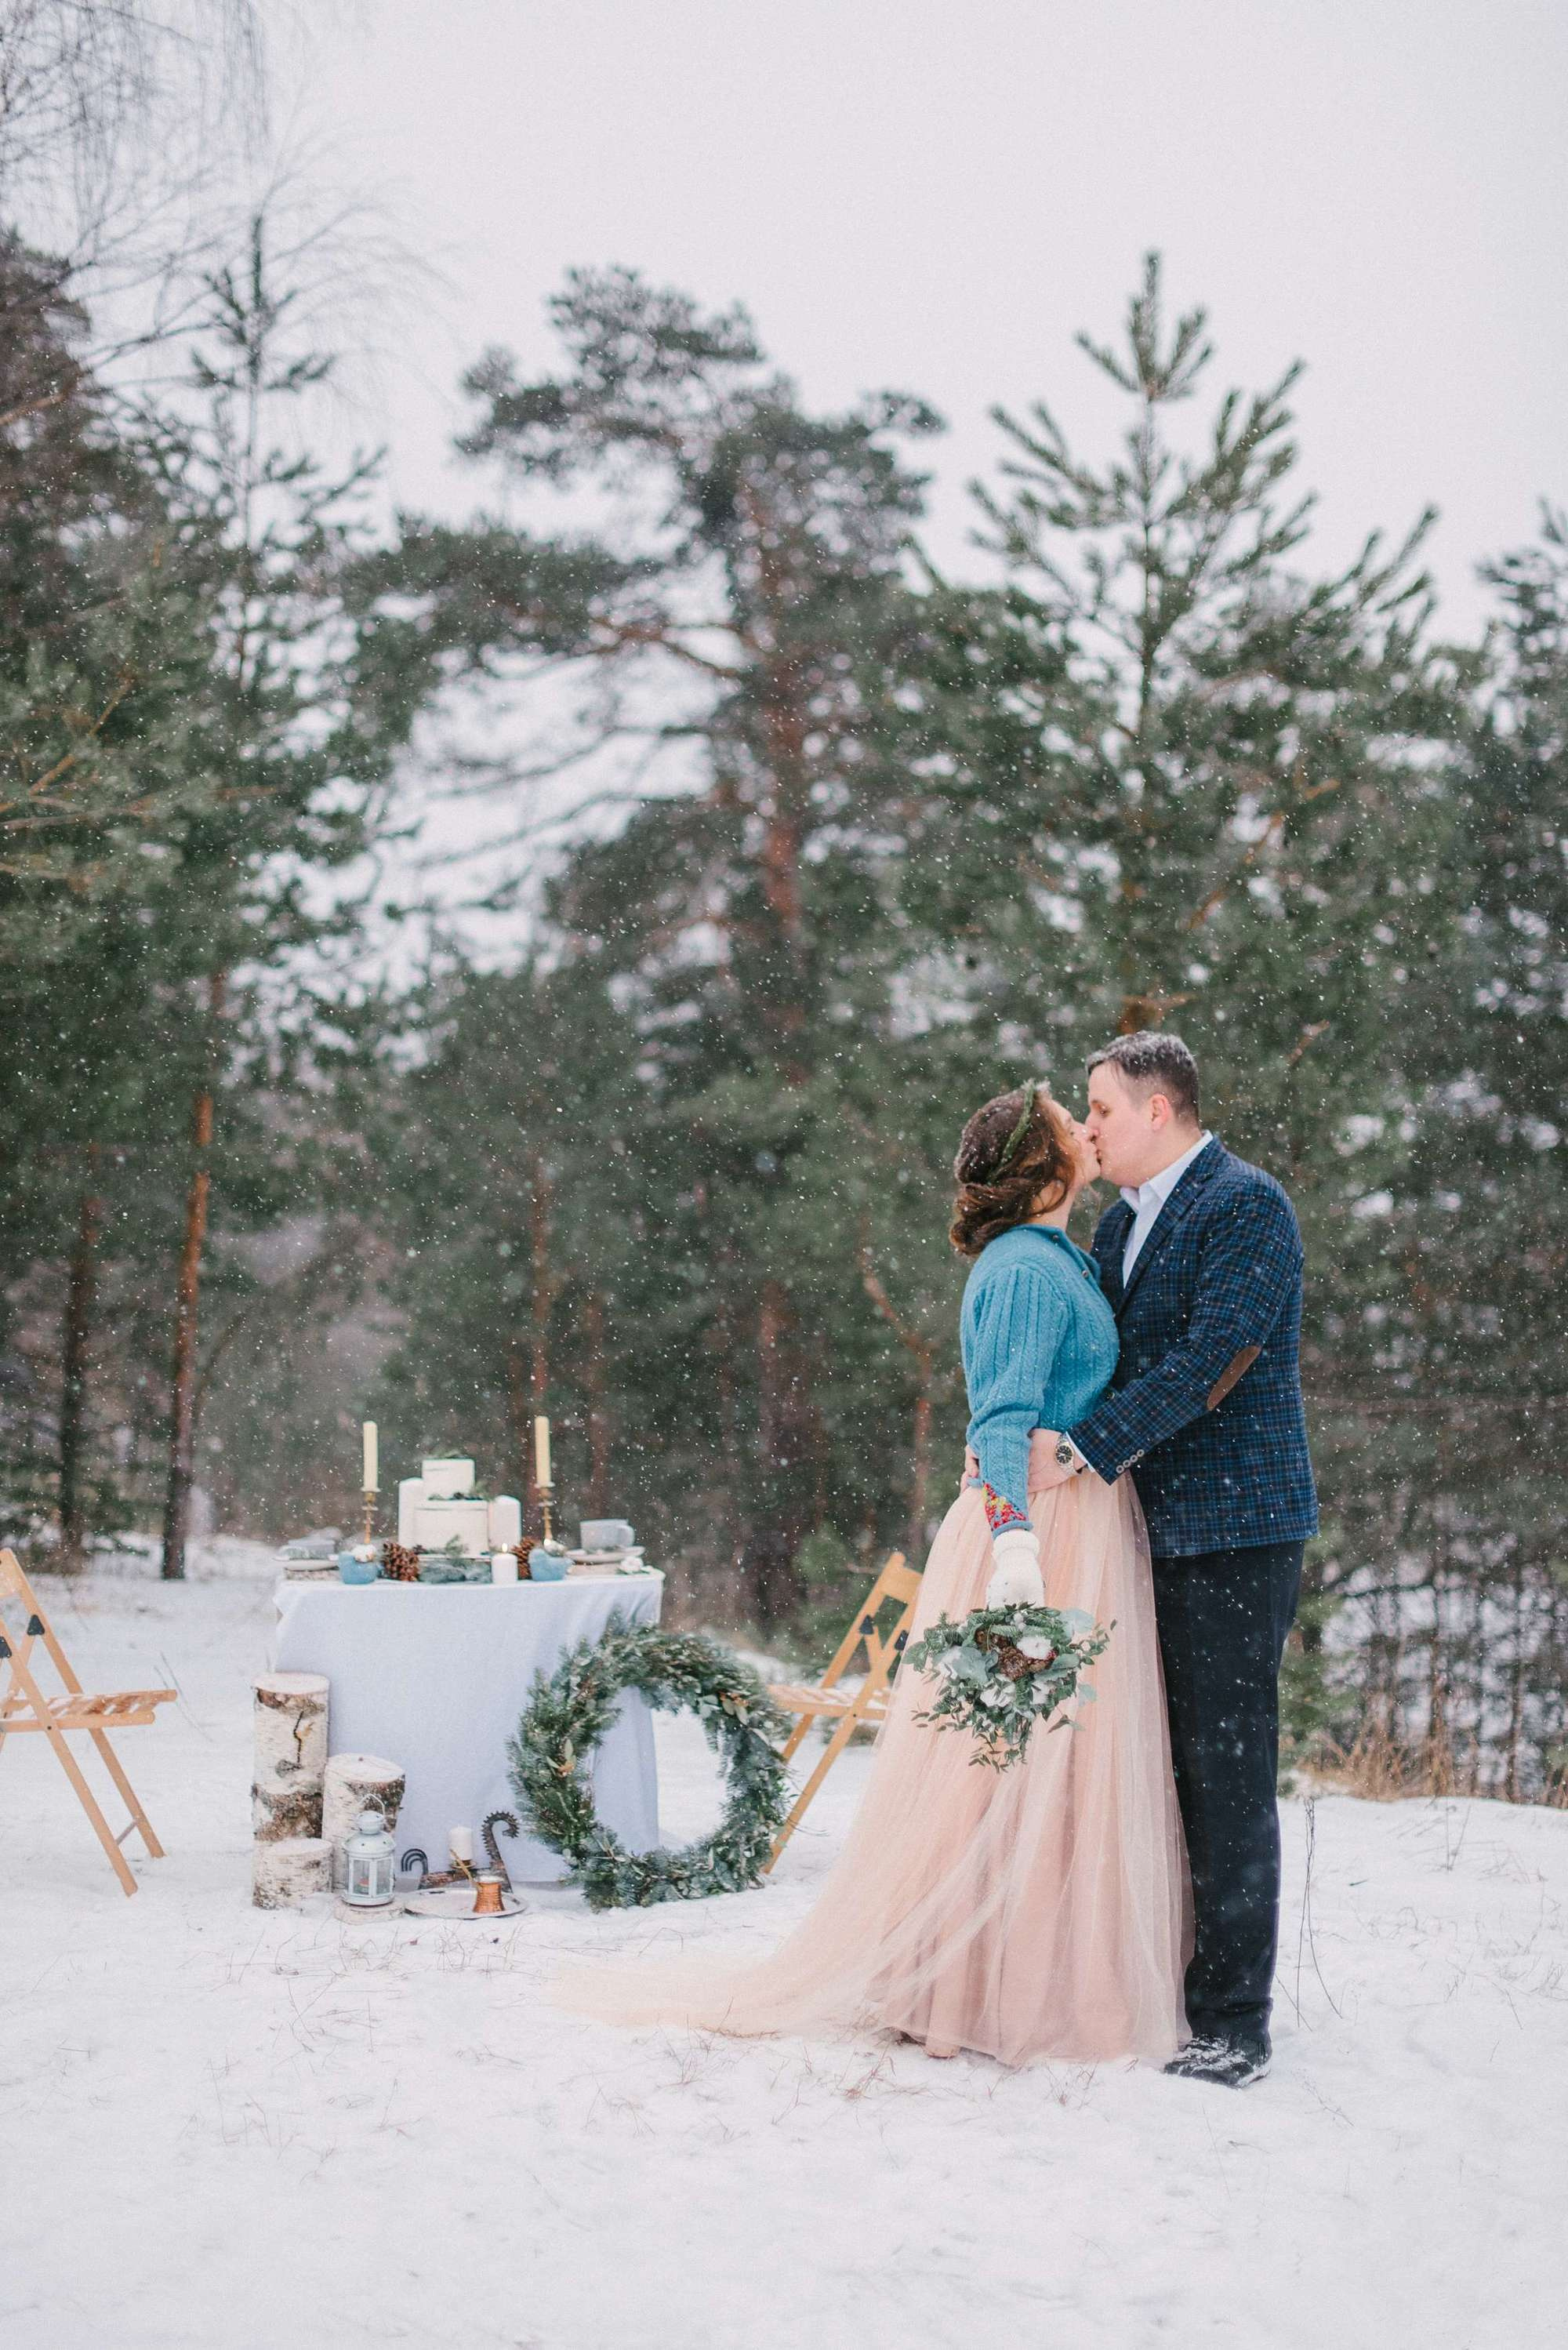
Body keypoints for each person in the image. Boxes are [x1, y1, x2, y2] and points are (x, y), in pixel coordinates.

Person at [555, 1084, 1188, 2067]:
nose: (1085, 1124)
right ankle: (982, 1989)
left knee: (1047, 1770)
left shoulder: (1061, 1254)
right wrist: (1017, 1542)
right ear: (1045, 1167)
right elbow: (1000, 1419)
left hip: (1075, 1523)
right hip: (1038, 1540)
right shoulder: (1024, 1268)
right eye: (1069, 1118)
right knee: (1010, 1765)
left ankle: (1026, 1976)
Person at [1026, 1032, 1317, 2089]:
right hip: (1140, 1532)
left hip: (1235, 1532)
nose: (1087, 1127)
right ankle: (1162, 1979)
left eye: (1098, 1108)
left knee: (1226, 1773)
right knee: (1151, 1762)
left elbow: (1216, 1358)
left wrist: (1085, 1448)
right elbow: (1096, 1358)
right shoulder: (1114, 1226)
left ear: (1158, 1109)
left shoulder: (1248, 1203)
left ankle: (1234, 2022)